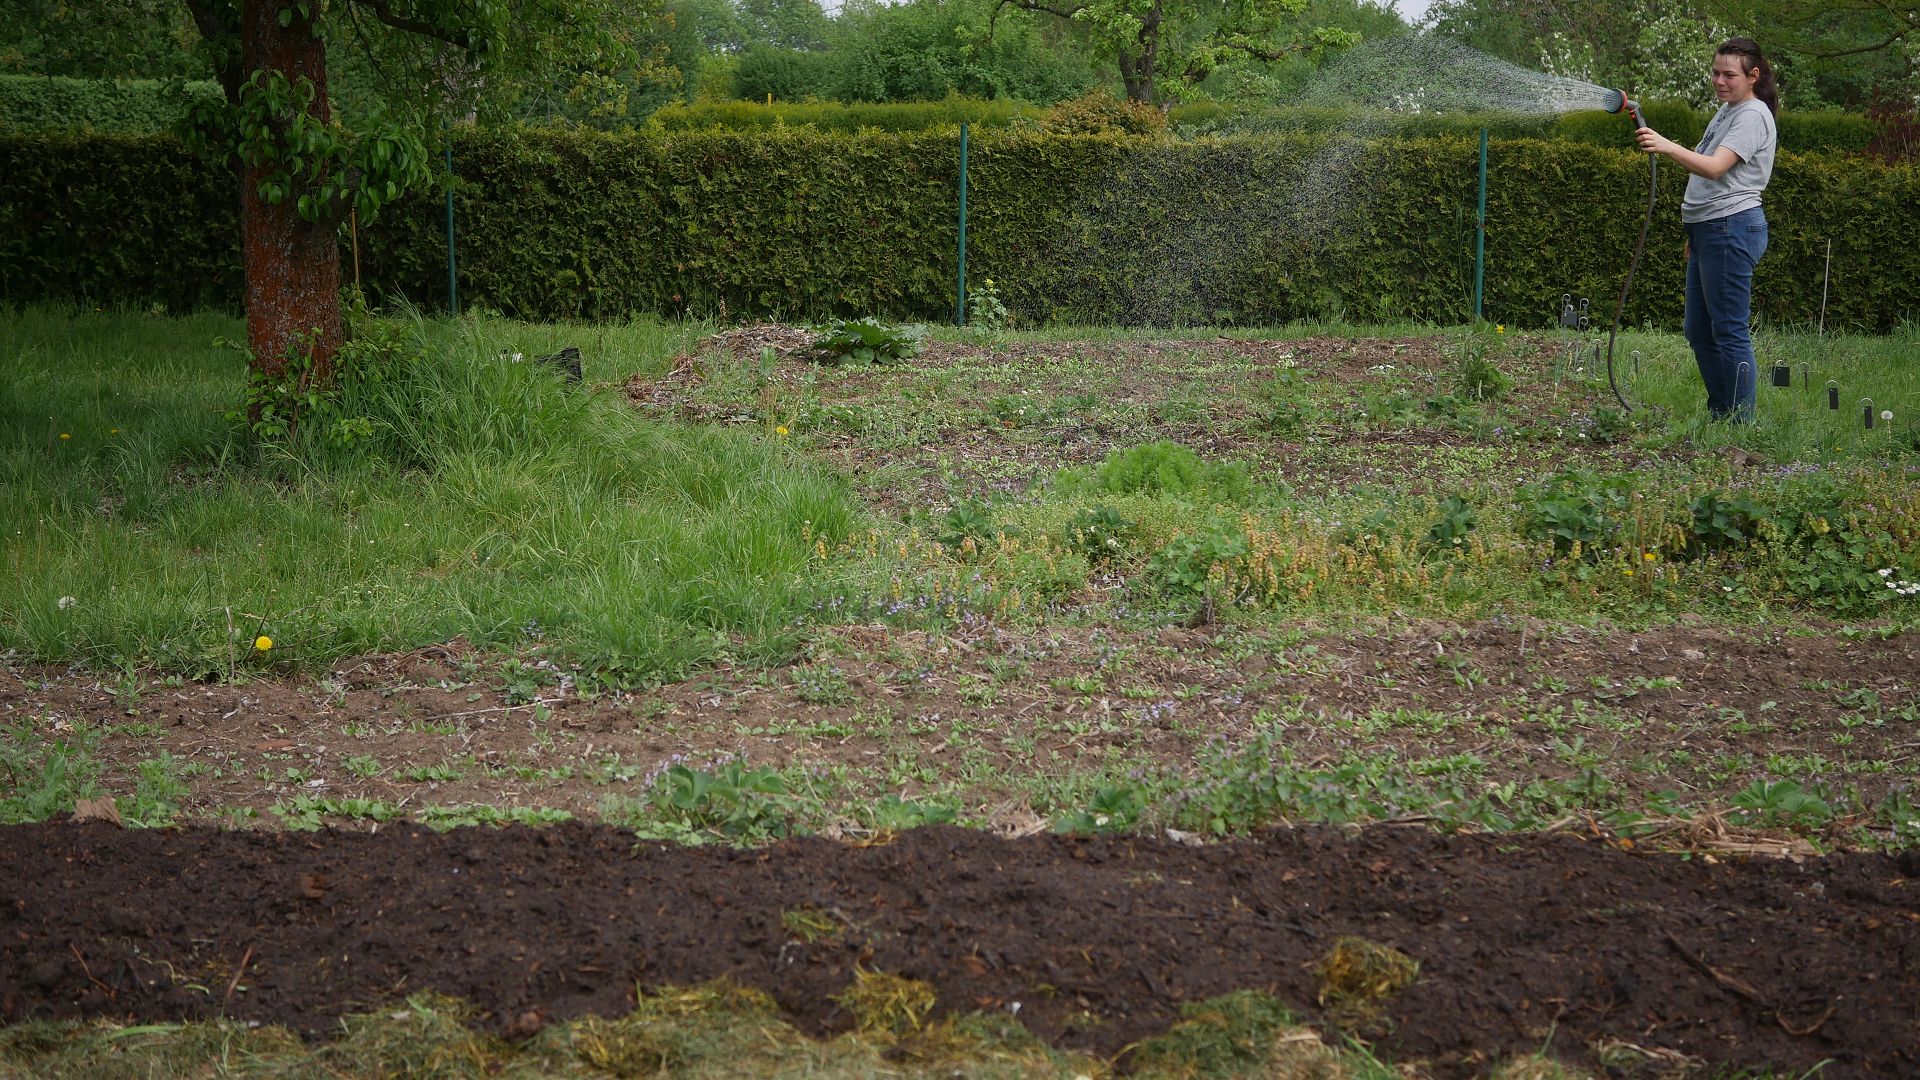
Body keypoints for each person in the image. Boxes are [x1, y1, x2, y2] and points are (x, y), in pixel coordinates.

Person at [1634, 38, 1779, 422]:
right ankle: (1723, 412)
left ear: (1753, 76)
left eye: (1729, 74)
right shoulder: (1728, 111)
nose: (1719, 80)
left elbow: (1715, 168)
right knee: (1698, 329)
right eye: (1715, 72)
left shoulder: (1752, 115)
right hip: (1709, 231)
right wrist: (1695, 234)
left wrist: (1665, 145)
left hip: (1732, 228)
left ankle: (1739, 422)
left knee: (1729, 331)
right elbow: (1711, 179)